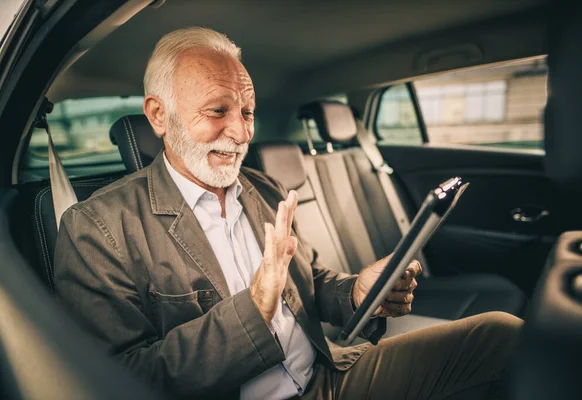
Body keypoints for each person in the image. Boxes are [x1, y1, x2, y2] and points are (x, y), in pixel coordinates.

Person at [53, 27, 523, 400]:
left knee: (503, 336)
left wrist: (359, 291)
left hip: (327, 379)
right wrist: (253, 310)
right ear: (159, 116)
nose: (239, 133)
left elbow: (310, 283)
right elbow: (118, 379)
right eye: (217, 111)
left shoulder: (264, 189)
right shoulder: (98, 229)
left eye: (248, 112)